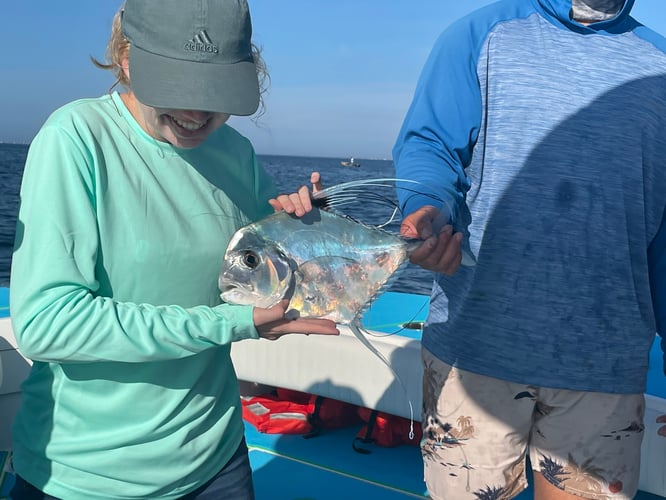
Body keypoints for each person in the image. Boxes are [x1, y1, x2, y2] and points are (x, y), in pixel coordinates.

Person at [8, 1, 338, 499]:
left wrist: (314, 224)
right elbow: (46, 324)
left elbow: (283, 257)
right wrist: (234, 323)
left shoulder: (235, 153)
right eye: (176, 87)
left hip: (218, 460)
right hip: (87, 477)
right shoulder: (74, 138)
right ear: (126, 60)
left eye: (214, 91)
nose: (195, 113)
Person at [393, 1, 666, 499]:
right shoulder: (479, 35)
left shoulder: (659, 64)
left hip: (604, 367)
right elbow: (431, 146)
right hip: (473, 349)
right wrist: (428, 207)